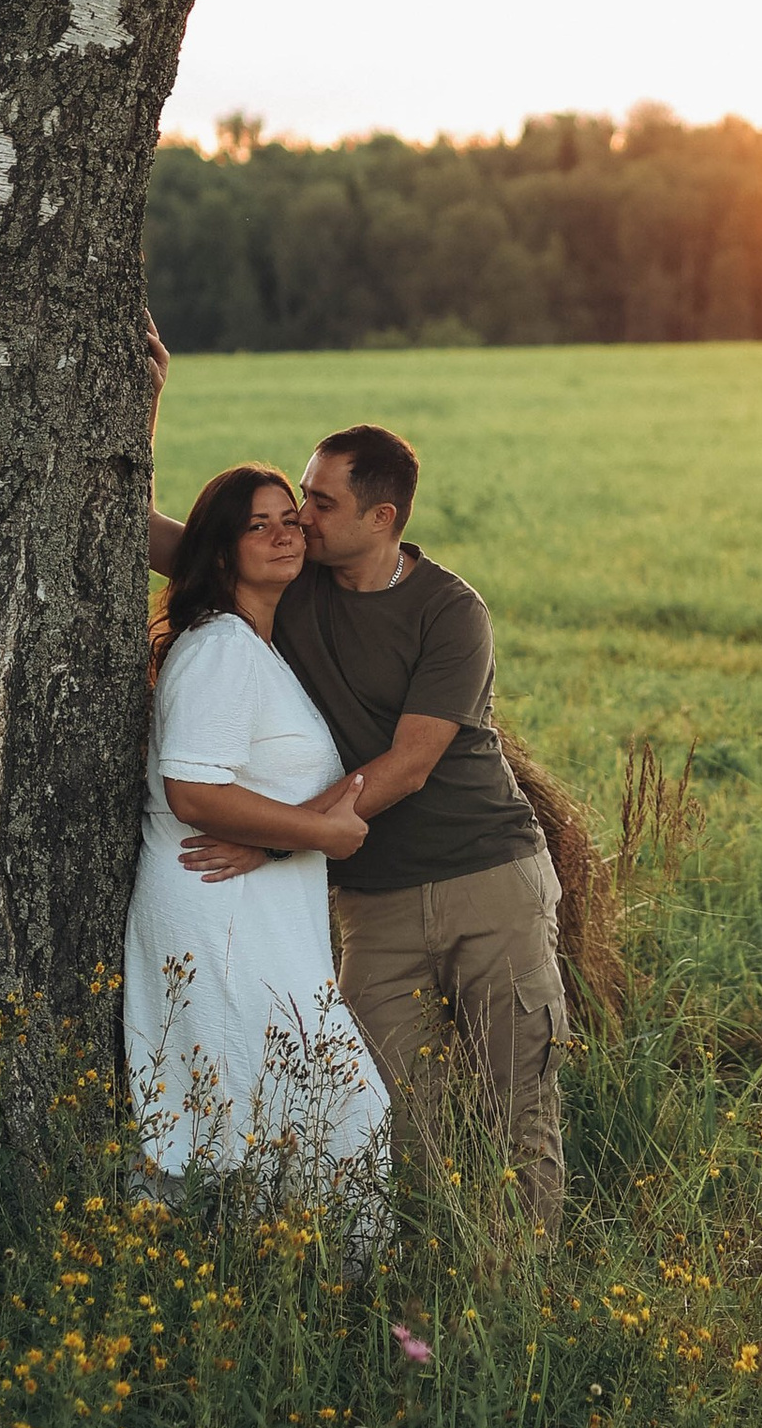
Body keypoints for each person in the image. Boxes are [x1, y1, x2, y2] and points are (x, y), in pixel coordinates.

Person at [146, 342, 568, 1230]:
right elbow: (171, 544)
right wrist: (142, 405)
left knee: (514, 1107)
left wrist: (275, 836)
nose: (299, 516)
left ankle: (516, 1298)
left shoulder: (451, 612)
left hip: (485, 882)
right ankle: (417, 1283)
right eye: (299, 495)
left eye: (320, 501)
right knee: (385, 1120)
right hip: (373, 907)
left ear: (380, 518)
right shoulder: (292, 581)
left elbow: (411, 764)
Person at [124, 465, 386, 1190]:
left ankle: (277, 1285)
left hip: (258, 914)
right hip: (216, 914)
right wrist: (319, 832)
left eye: (289, 519)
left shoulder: (258, 645)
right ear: (219, 552)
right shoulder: (220, 650)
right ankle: (304, 1286)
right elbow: (193, 791)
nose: (284, 534)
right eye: (257, 525)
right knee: (313, 1109)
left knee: (278, 1112)